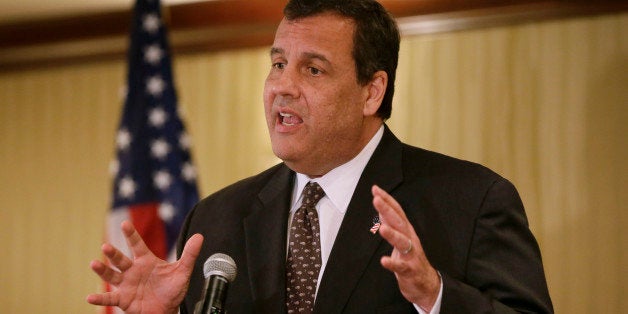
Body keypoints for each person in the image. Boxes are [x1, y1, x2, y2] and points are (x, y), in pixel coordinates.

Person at [87, 0, 553, 313]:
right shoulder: (217, 219)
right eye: (277, 64)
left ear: (372, 91)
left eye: (313, 69)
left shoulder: (470, 201)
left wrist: (436, 296)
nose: (282, 87)